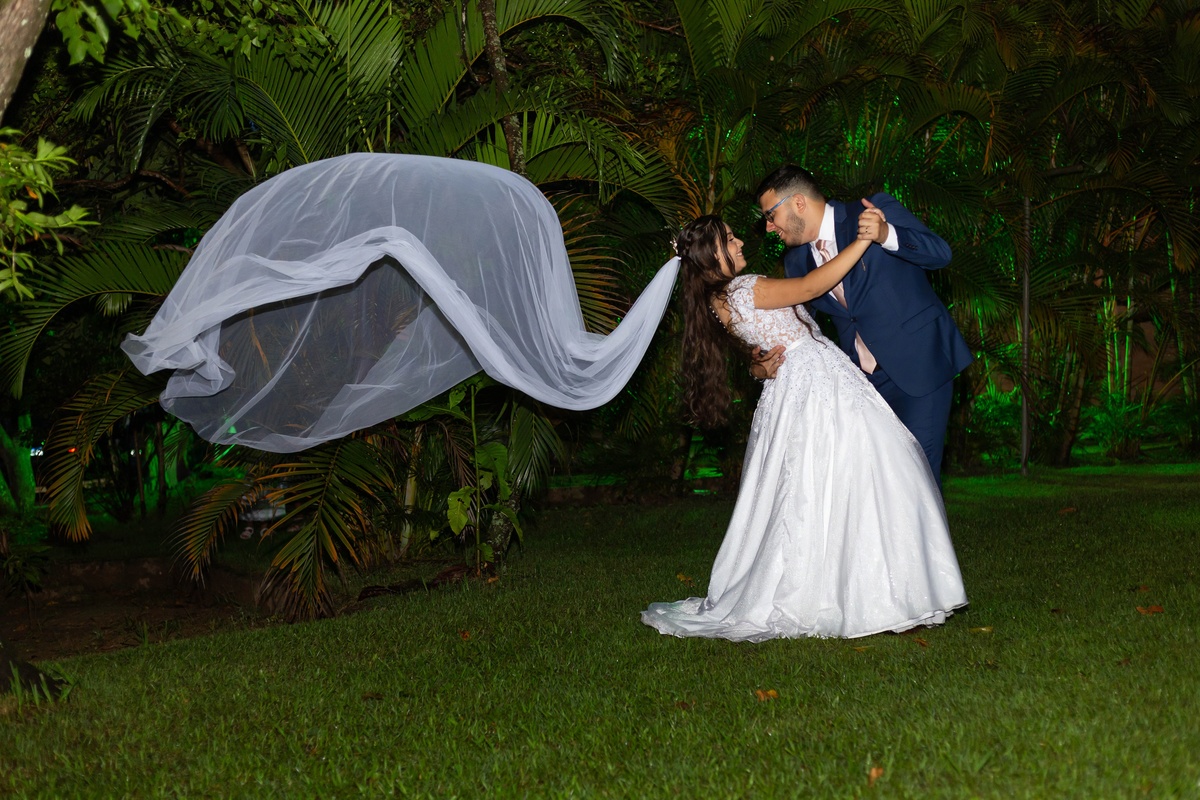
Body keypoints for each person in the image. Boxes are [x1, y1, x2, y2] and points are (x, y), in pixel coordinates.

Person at [641, 213, 967, 641]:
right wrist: (863, 241)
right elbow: (812, 288)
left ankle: (861, 588)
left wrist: (758, 369)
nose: (740, 243)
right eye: (730, 239)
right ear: (710, 255)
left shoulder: (717, 304)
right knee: (874, 471)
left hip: (794, 391)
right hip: (816, 387)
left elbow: (759, 355)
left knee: (820, 485)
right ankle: (877, 593)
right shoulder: (743, 288)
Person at [753, 166, 973, 486]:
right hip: (860, 385)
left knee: (919, 482)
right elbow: (800, 324)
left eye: (771, 215)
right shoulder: (796, 262)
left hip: (919, 366)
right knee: (876, 487)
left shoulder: (872, 209)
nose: (769, 227)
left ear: (798, 203)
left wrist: (887, 235)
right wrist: (762, 357)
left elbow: (940, 254)